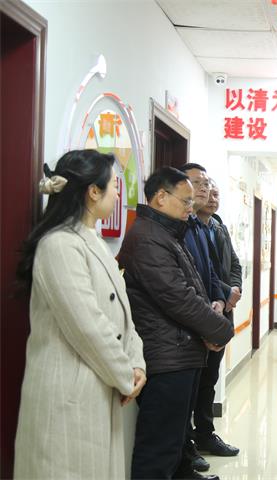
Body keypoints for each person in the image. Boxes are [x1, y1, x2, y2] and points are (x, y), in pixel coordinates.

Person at [14, 149, 146, 479]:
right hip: (67, 394)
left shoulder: (94, 241)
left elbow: (124, 316)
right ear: (93, 192)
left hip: (100, 385)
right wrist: (125, 375)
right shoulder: (58, 244)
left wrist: (137, 363)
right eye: (113, 186)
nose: (118, 194)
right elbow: (87, 326)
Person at [119, 167, 234, 480]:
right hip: (167, 356)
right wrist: (221, 329)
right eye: (185, 200)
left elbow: (193, 288)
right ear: (160, 197)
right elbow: (178, 297)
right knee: (158, 448)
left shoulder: (167, 232)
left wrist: (210, 323)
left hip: (181, 350)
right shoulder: (148, 238)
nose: (190, 206)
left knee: (175, 440)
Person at [176, 164, 239, 471]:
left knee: (208, 381)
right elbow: (183, 283)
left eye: (209, 187)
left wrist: (226, 294)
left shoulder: (212, 227)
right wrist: (213, 305)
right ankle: (186, 447)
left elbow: (220, 269)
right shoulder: (181, 228)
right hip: (193, 323)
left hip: (215, 314)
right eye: (198, 184)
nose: (205, 192)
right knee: (190, 388)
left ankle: (203, 435)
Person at [195, 178, 243, 453]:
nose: (212, 199)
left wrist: (234, 289)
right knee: (195, 379)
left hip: (223, 311)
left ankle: (204, 433)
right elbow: (200, 274)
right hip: (201, 311)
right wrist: (224, 293)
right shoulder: (190, 228)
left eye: (217, 194)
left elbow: (234, 264)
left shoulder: (218, 227)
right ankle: (190, 439)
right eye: (208, 193)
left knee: (211, 376)